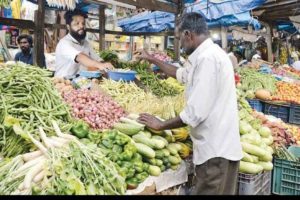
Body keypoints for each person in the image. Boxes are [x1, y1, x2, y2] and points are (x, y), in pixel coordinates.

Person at [137, 12, 242, 195]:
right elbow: (180, 74)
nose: (179, 44)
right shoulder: (208, 55)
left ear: (188, 35)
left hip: (215, 153)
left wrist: (161, 124)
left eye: (179, 39)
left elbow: (194, 113)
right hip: (219, 150)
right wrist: (152, 59)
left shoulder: (207, 59)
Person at [55, 10, 113, 78]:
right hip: (62, 82)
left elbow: (97, 58)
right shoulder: (64, 43)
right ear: (68, 27)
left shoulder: (85, 43)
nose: (81, 26)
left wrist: (105, 65)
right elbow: (79, 56)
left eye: (83, 23)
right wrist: (99, 65)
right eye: (77, 23)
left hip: (79, 82)